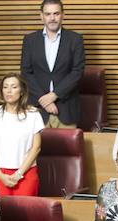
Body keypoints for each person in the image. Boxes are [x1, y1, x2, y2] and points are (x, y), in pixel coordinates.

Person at [20, 0, 85, 128]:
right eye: (48, 14)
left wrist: (54, 95)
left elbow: (77, 71)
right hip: (37, 110)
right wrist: (44, 101)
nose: (52, 18)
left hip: (66, 110)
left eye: (56, 13)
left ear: (63, 15)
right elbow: (26, 72)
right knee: (35, 148)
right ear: (41, 16)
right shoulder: (30, 40)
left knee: (68, 148)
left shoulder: (75, 39)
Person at [0, 72, 44, 197]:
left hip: (26, 172)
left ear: (21, 91)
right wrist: (0, 175)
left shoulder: (33, 114)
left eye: (14, 87)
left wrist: (19, 174)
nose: (9, 91)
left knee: (25, 213)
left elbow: (36, 148)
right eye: (5, 87)